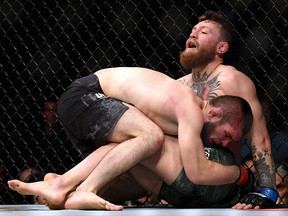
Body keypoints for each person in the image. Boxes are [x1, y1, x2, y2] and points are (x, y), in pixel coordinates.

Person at [8, 67, 253, 210]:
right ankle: (84, 188)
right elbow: (196, 172)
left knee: (136, 152)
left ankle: (62, 186)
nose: (224, 142)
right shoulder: (190, 109)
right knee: (151, 136)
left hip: (87, 108)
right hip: (85, 96)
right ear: (214, 113)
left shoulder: (182, 114)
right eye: (227, 135)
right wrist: (241, 174)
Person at [177, 10, 277, 209]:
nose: (193, 35)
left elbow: (259, 137)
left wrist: (267, 190)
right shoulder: (178, 85)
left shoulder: (232, 80)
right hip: (180, 170)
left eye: (203, 32)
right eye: (193, 31)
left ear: (221, 47)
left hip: (217, 177)